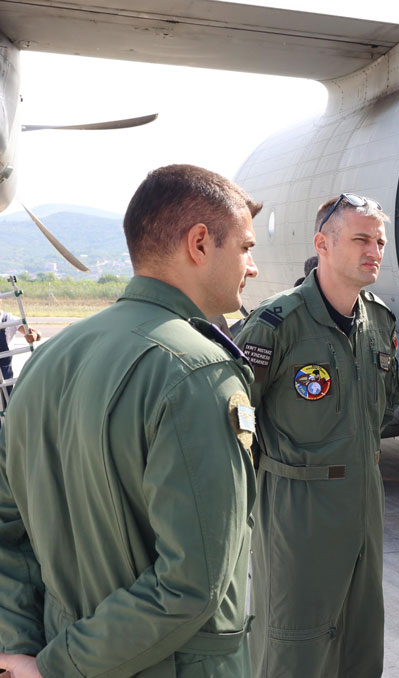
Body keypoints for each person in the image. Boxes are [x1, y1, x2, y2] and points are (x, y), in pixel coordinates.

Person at [0, 164, 261, 677]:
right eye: (245, 248)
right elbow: (192, 584)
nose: (251, 267)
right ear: (200, 243)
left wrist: (25, 652)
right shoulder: (198, 372)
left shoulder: (47, 359)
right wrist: (58, 665)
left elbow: (8, 531)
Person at [235, 193, 399, 677]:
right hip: (298, 514)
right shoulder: (277, 324)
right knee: (294, 647)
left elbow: (385, 405)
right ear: (322, 244)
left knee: (361, 643)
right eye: (361, 239)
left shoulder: (378, 320)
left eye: (380, 242)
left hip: (364, 506)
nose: (374, 251)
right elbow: (235, 419)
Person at [0, 303, 38, 405]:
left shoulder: (8, 319)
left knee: (6, 405)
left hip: (4, 375)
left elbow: (36, 333)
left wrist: (34, 335)